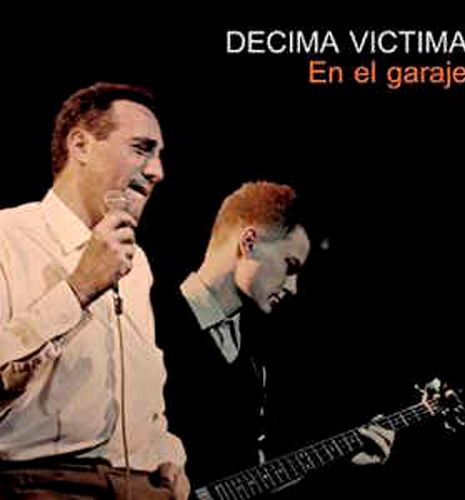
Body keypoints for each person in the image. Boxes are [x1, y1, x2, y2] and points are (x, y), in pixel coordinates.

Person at [0, 82, 190, 499]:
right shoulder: (7, 238)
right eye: (142, 149)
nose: (158, 172)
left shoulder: (138, 263)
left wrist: (168, 455)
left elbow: (144, 387)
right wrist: (79, 288)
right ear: (81, 145)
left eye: (159, 155)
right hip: (42, 486)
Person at [154, 181, 395, 494]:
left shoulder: (255, 355)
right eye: (289, 266)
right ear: (249, 242)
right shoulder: (150, 319)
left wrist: (341, 459)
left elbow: (250, 475)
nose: (293, 287)